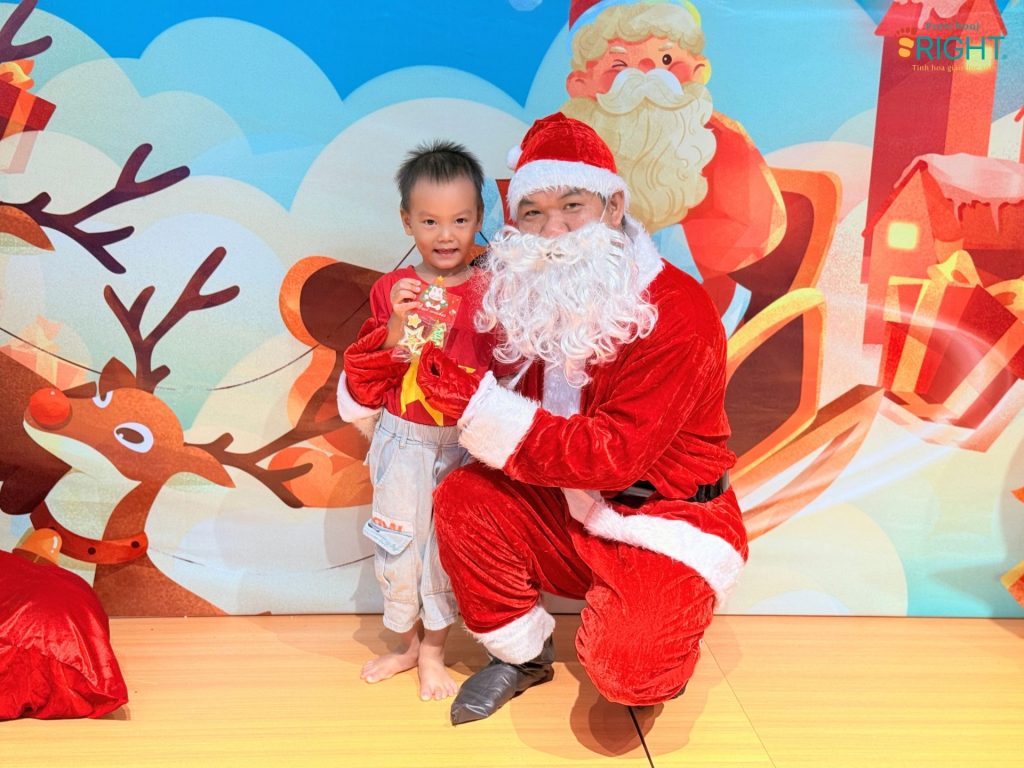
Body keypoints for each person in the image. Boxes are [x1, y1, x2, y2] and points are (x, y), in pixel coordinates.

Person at [414, 113, 749, 724]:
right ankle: (521, 657)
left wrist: (477, 405)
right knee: (463, 496)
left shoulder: (677, 310)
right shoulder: (531, 292)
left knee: (628, 674)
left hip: (663, 519)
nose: (553, 230)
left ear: (614, 207)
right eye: (533, 212)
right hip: (568, 507)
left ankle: (651, 624)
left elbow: (613, 454)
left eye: (572, 205)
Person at [335, 140, 494, 701]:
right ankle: (405, 644)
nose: (446, 235)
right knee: (398, 543)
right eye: (430, 221)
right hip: (402, 439)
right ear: (407, 221)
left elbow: (503, 364)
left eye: (460, 220)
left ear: (479, 218)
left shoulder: (492, 288)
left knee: (445, 550)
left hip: (465, 441)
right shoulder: (391, 288)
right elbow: (378, 367)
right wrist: (396, 326)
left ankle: (433, 651)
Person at [561, 0, 786, 319]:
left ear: (698, 70)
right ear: (580, 84)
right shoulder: (568, 141)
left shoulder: (721, 137)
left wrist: (665, 246)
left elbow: (756, 224)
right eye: (620, 65)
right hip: (587, 301)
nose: (646, 75)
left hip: (694, 302)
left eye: (666, 60)